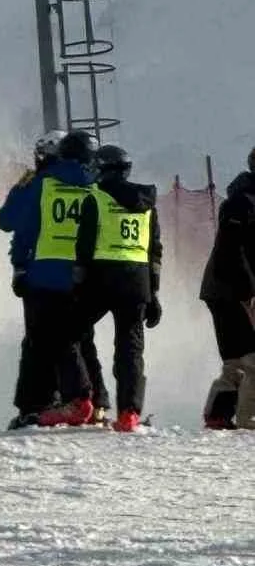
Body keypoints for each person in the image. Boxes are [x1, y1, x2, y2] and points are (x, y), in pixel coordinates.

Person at [0, 131, 110, 427]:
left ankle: (38, 405)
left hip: (43, 275)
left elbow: (7, 220)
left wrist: (20, 267)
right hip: (87, 277)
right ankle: (98, 403)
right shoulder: (98, 186)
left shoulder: (41, 184)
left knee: (39, 343)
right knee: (82, 340)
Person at [73, 144, 162, 433]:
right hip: (137, 283)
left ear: (103, 169)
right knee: (130, 349)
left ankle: (89, 398)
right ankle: (129, 414)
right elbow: (154, 251)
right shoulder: (148, 204)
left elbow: (84, 248)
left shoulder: (95, 199)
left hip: (102, 278)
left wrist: (78, 283)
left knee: (71, 332)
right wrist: (154, 294)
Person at [198, 148, 255, 429]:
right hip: (228, 290)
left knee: (236, 360)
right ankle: (249, 420)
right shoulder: (240, 202)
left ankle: (218, 415)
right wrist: (249, 292)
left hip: (234, 289)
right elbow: (231, 250)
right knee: (251, 358)